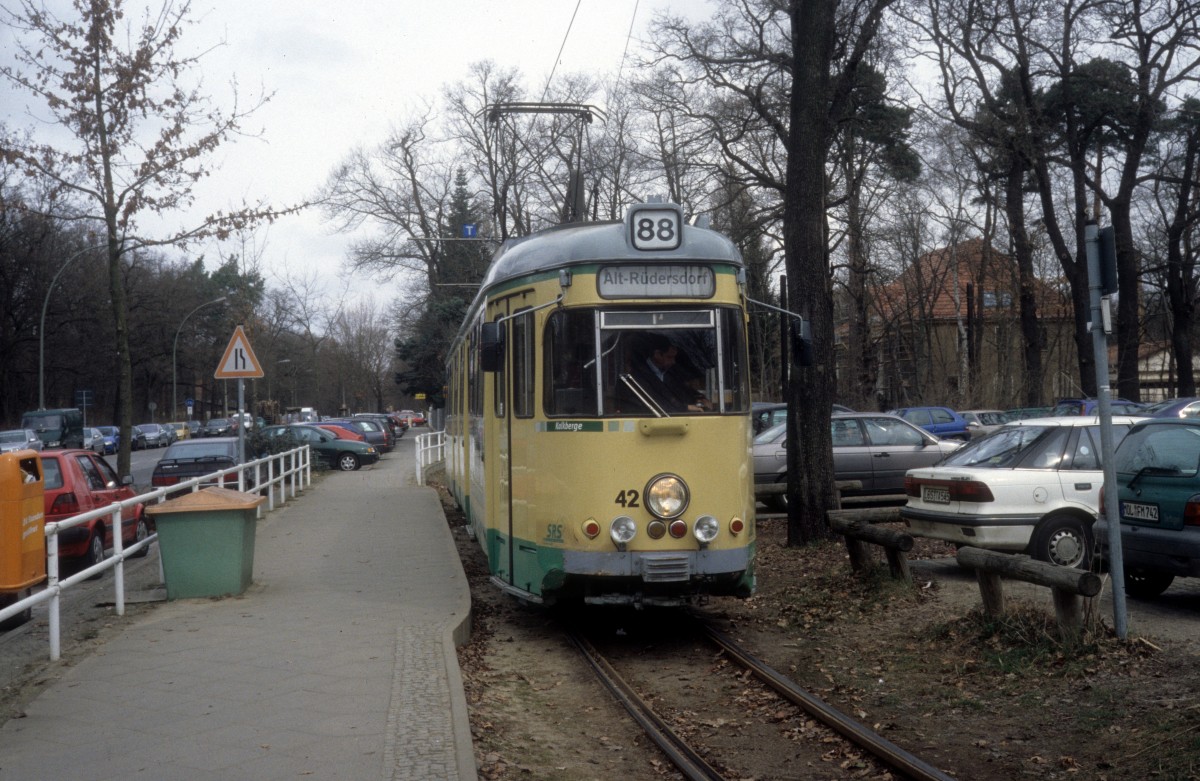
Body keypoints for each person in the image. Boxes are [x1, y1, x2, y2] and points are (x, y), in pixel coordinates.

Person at [622, 333, 708, 413]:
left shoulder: (672, 372)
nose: (673, 362)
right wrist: (686, 408)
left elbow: (684, 390)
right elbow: (655, 402)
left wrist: (699, 398)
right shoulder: (637, 376)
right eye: (669, 357)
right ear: (657, 355)